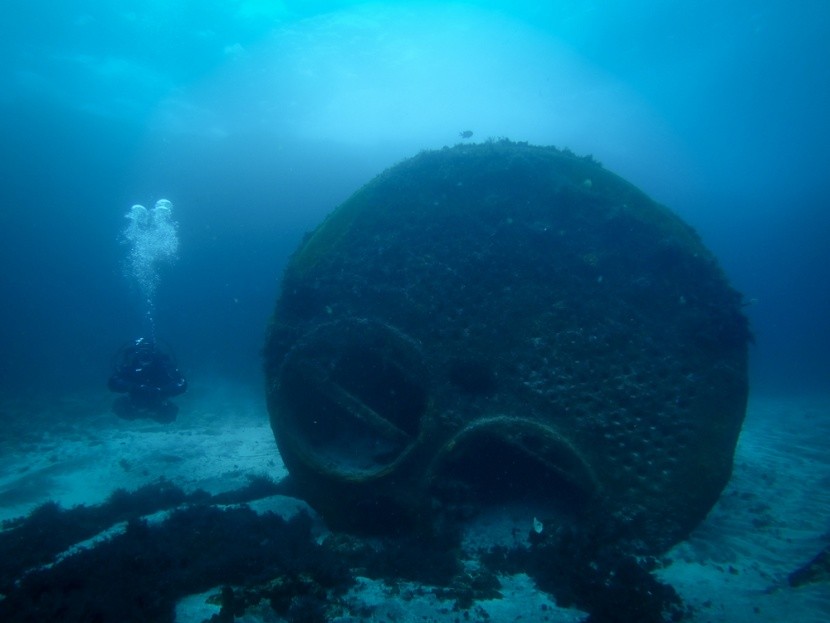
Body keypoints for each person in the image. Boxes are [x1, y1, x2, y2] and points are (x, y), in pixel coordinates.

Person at [108, 337, 187, 423]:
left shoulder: (163, 366)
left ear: (154, 354)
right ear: (137, 354)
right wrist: (133, 387)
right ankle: (138, 413)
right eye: (142, 354)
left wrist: (161, 391)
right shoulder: (131, 366)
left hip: (159, 404)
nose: (145, 357)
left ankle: (156, 413)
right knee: (118, 405)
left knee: (169, 414)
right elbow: (113, 383)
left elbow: (182, 384)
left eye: (148, 354)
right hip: (134, 405)